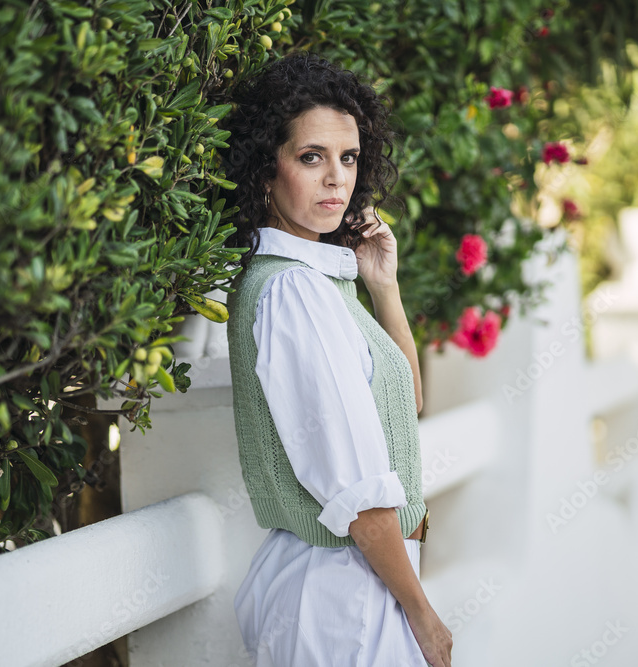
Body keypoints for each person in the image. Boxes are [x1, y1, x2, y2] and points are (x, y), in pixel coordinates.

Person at [221, 52, 452, 667]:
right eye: (311, 156)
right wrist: (421, 614)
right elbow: (361, 497)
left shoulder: (319, 283)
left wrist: (385, 287)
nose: (336, 179)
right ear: (265, 169)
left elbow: (408, 403)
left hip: (351, 591)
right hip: (339, 600)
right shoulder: (293, 293)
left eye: (347, 158)